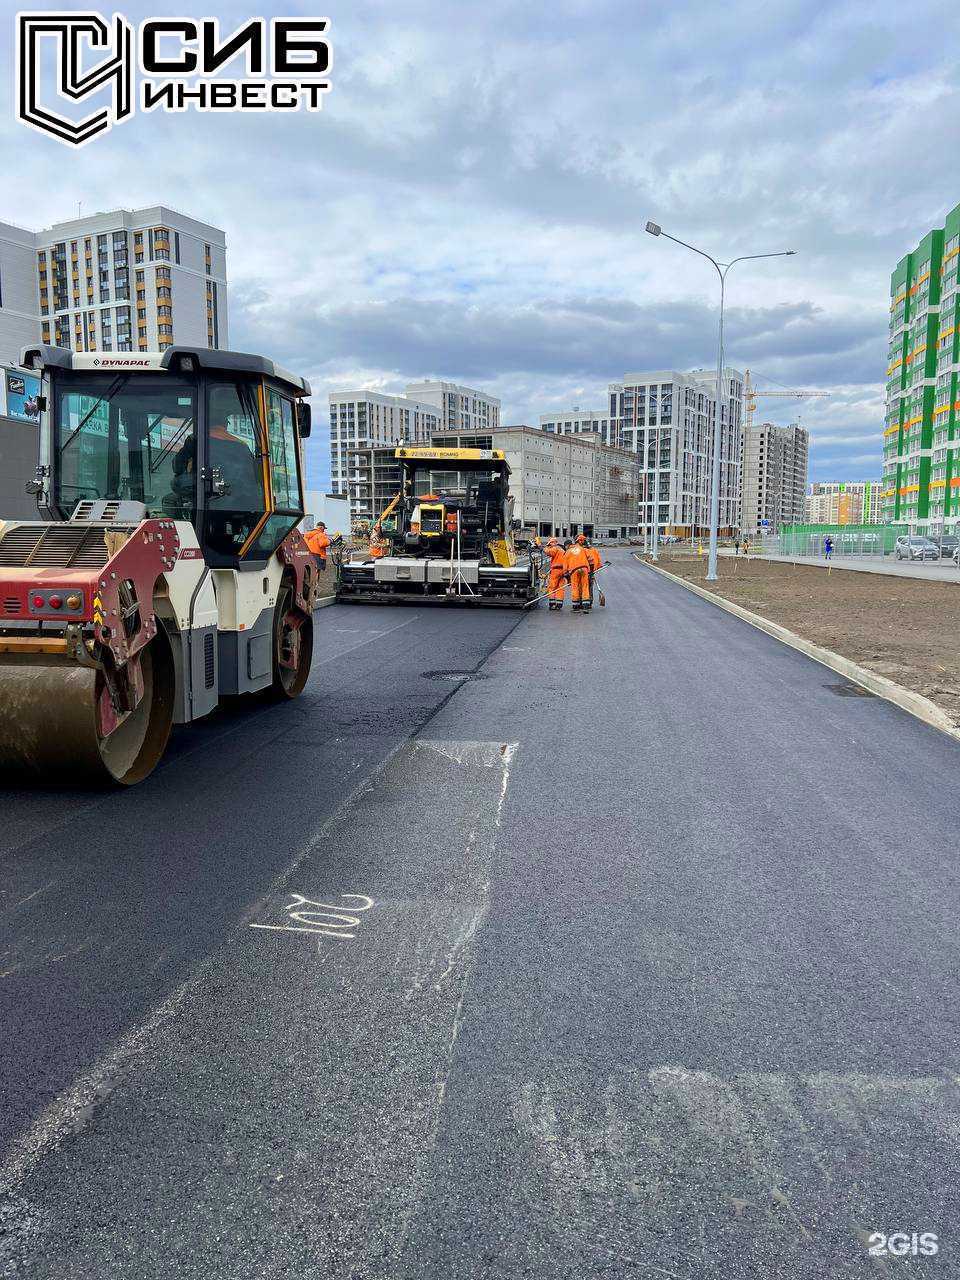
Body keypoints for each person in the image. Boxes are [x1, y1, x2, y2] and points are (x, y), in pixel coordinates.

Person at [563, 536, 592, 614]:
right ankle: (585, 607)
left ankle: (576, 607)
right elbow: (591, 559)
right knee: (585, 587)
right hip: (584, 569)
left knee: (575, 587)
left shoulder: (568, 552)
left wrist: (566, 575)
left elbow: (565, 566)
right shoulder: (583, 549)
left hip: (574, 571)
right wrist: (590, 571)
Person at [578, 533, 603, 608]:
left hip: (583, 571)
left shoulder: (582, 551)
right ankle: (589, 602)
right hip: (591, 571)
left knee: (582, 587)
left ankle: (581, 602)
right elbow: (598, 562)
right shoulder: (593, 550)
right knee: (589, 587)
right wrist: (594, 570)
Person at [543, 537, 566, 611]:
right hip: (563, 570)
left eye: (550, 544)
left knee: (552, 587)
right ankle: (559, 604)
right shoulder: (561, 549)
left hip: (556, 570)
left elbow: (550, 553)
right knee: (560, 587)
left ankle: (552, 604)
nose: (549, 545)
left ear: (552, 543)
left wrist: (544, 548)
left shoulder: (555, 548)